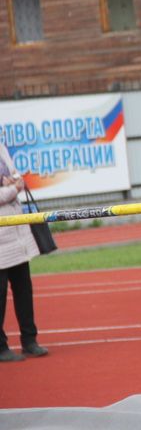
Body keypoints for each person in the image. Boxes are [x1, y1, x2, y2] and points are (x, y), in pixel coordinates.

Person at [0, 142, 49, 362]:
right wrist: (13, 188)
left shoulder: (2, 147)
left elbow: (16, 176)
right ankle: (1, 347)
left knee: (24, 290)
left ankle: (30, 340)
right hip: (1, 240)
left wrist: (14, 182)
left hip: (18, 236)